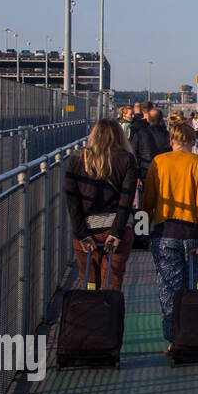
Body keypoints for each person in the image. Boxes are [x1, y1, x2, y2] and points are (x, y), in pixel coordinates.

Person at [141, 122, 198, 353]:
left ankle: (173, 338)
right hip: (192, 232)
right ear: (193, 141)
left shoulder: (159, 162)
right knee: (190, 287)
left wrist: (144, 228)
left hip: (165, 232)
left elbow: (149, 199)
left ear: (171, 141)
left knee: (169, 287)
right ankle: (190, 333)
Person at [65, 119, 139, 291]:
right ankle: (111, 317)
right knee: (112, 284)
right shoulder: (127, 159)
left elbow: (73, 201)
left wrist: (82, 233)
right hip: (115, 229)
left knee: (89, 283)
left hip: (87, 229)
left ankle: (91, 316)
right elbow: (126, 201)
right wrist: (116, 232)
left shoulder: (77, 159)